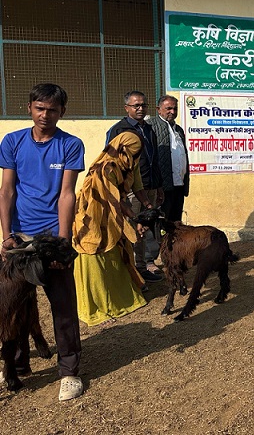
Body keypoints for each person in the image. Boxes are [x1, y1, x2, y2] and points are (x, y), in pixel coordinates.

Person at [0, 83, 85, 401]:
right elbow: (7, 190)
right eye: (39, 108)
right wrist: (6, 236)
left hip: (51, 239)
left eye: (52, 110)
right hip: (20, 239)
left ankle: (69, 372)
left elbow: (67, 194)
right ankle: (18, 365)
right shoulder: (12, 142)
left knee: (63, 307)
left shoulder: (70, 144)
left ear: (62, 112)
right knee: (13, 306)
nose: (45, 115)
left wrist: (63, 242)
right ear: (29, 108)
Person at [73, 132, 148, 327]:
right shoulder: (106, 167)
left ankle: (119, 298)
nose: (134, 158)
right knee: (94, 250)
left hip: (112, 215)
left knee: (116, 252)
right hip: (93, 214)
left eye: (137, 154)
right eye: (132, 153)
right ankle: (97, 305)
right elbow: (112, 199)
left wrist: (148, 206)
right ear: (123, 150)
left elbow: (137, 187)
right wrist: (134, 219)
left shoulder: (129, 166)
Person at [106, 91, 163, 281]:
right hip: (130, 190)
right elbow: (111, 162)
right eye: (136, 105)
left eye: (144, 105)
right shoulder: (119, 130)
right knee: (133, 229)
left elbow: (154, 160)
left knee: (146, 228)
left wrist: (158, 186)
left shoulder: (148, 129)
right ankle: (133, 270)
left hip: (149, 187)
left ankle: (144, 265)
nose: (141, 108)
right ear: (126, 108)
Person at [150, 95, 189, 223]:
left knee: (175, 223)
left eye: (175, 109)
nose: (172, 112)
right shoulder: (151, 127)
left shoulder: (178, 130)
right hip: (162, 187)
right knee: (162, 222)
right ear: (158, 109)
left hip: (178, 185)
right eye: (168, 108)